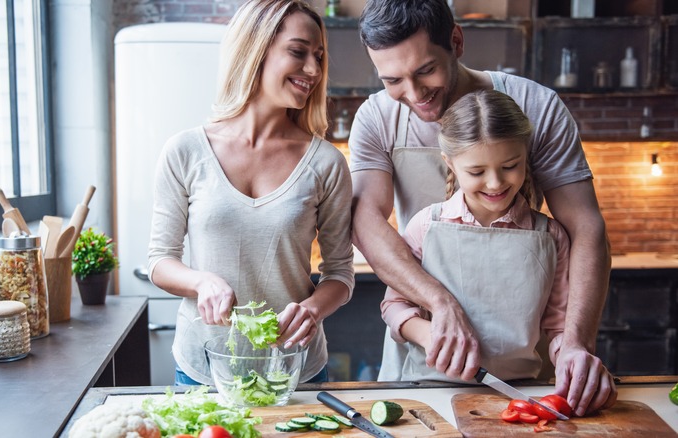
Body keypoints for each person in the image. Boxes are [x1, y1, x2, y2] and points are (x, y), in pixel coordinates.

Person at [350, 0, 614, 415]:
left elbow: (585, 227)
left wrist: (575, 342)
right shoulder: (376, 118)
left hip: (523, 360)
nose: (415, 94)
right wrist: (439, 303)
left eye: (425, 71)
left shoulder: (537, 107)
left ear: (456, 41)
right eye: (393, 80)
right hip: (428, 352)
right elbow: (365, 222)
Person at [147, 0, 354, 386]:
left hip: (294, 370)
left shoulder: (326, 163)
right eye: (298, 52)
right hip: (205, 369)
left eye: (319, 57)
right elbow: (160, 260)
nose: (313, 69)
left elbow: (340, 274)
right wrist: (201, 282)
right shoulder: (186, 151)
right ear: (256, 49)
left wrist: (312, 309)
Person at [381, 90, 614, 398]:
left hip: (521, 393)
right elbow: (394, 305)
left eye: (510, 166)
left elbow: (559, 326)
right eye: (477, 172)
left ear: (525, 155)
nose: (495, 183)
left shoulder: (552, 237)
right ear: (449, 163)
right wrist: (430, 335)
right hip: (431, 390)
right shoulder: (426, 226)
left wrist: (572, 357)